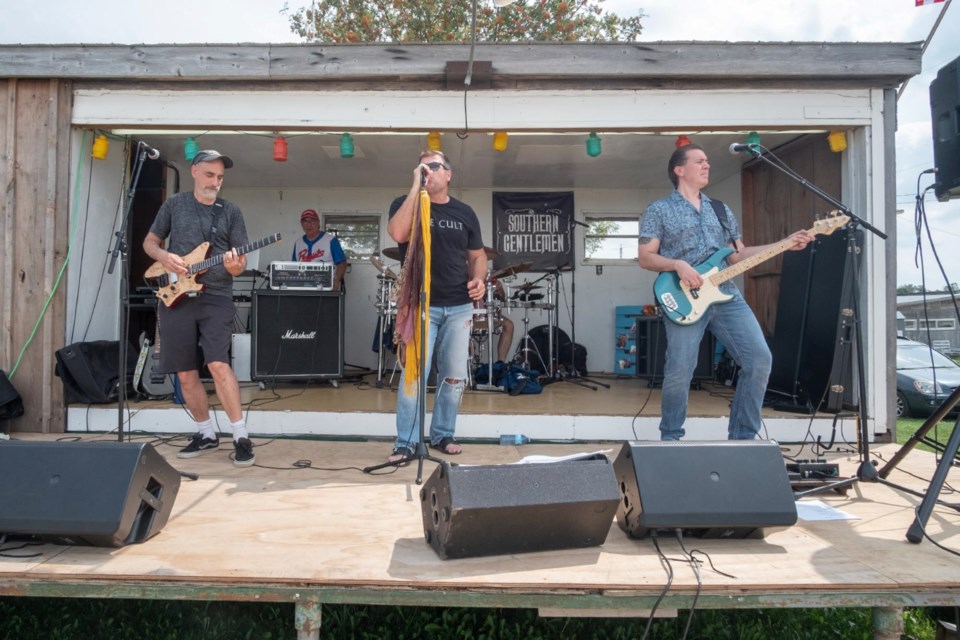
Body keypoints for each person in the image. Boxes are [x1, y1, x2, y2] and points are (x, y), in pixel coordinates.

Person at [638, 143, 815, 441]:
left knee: (759, 360)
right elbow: (645, 257)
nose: (707, 165)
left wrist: (783, 243)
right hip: (684, 297)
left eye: (708, 161)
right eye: (699, 161)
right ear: (679, 170)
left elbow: (737, 256)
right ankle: (670, 438)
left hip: (726, 295)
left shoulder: (720, 210)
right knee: (680, 371)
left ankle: (743, 438)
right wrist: (678, 265)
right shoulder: (659, 210)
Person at [143, 150, 255, 467]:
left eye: (220, 177)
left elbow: (239, 266)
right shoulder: (174, 205)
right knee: (184, 371)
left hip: (217, 295)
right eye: (210, 175)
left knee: (218, 364)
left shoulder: (230, 212)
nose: (215, 182)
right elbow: (149, 243)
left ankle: (240, 436)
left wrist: (234, 267)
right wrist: (164, 258)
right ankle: (205, 433)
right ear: (194, 172)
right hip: (176, 295)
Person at [386, 150, 487, 462]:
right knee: (415, 373)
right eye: (422, 167)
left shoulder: (465, 212)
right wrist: (416, 187)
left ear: (448, 175)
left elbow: (478, 255)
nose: (427, 170)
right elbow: (397, 233)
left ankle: (443, 433)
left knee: (455, 375)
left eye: (434, 166)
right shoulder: (407, 203)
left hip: (458, 306)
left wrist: (480, 279)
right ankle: (406, 441)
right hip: (421, 305)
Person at [291, 208, 348, 291]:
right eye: (305, 221)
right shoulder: (298, 243)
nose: (309, 224)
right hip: (303, 287)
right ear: (302, 224)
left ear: (318, 223)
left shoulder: (331, 240)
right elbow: (293, 267)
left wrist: (336, 280)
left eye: (312, 221)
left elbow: (342, 263)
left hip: (325, 287)